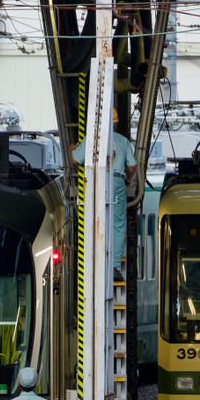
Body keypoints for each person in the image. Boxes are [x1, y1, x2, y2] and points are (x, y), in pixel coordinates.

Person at [71, 108, 138, 280]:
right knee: (117, 224)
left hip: (96, 182)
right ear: (115, 123)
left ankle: (92, 262)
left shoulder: (91, 139)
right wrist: (128, 180)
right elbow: (132, 167)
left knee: (92, 221)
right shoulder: (123, 141)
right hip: (116, 182)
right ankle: (114, 266)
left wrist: (73, 148)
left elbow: (75, 160)